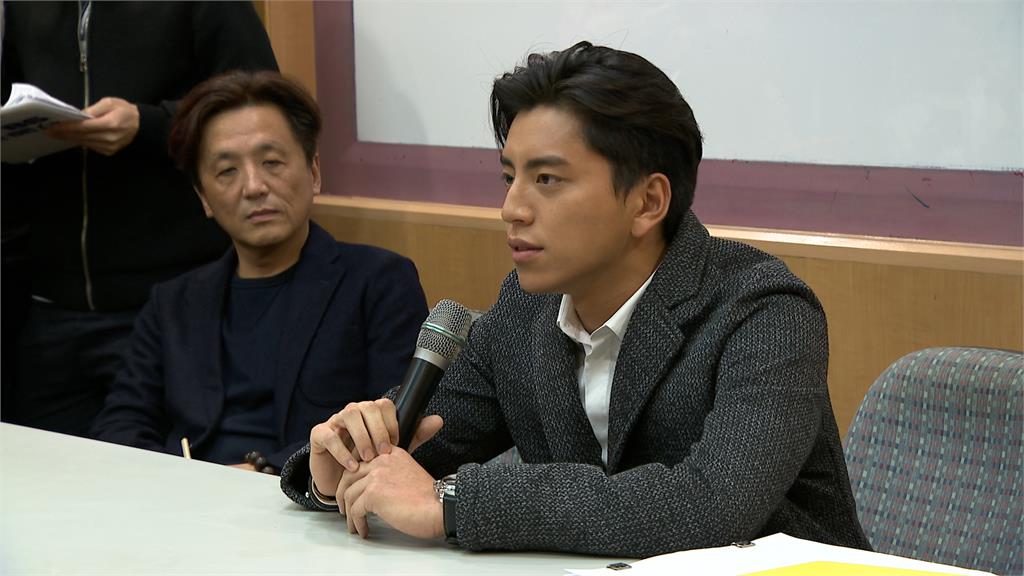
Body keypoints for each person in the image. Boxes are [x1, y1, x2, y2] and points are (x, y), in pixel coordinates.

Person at [279, 41, 871, 557]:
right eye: (508, 176)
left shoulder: (764, 311)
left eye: (547, 179)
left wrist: (454, 504)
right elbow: (425, 449)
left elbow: (711, 505)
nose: (511, 208)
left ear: (647, 202)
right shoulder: (525, 311)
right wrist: (338, 467)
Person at [91, 70, 428, 472]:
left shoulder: (379, 282)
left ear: (314, 172)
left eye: (272, 162)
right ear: (204, 198)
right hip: (185, 497)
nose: (253, 186)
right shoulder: (173, 303)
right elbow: (120, 424)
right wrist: (177, 481)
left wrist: (260, 471)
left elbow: (391, 422)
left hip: (307, 497)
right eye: (227, 171)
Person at [0, 1, 278, 436]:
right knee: (47, 470)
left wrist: (148, 124)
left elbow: (260, 104)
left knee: (164, 465)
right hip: (49, 304)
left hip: (169, 298)